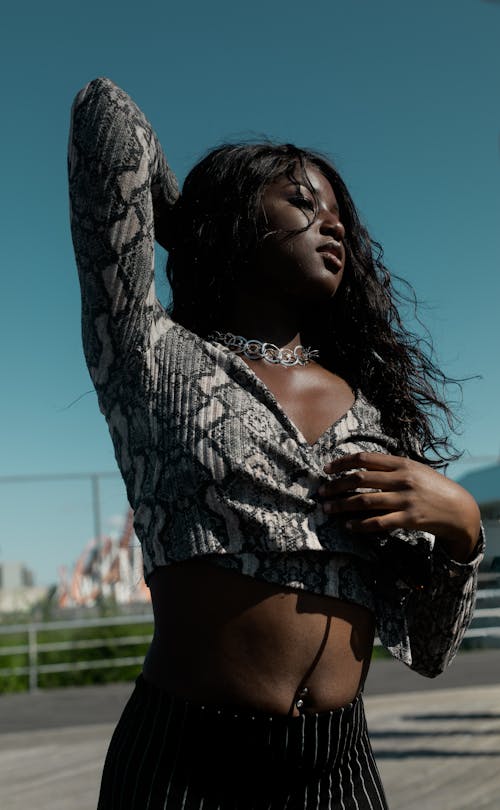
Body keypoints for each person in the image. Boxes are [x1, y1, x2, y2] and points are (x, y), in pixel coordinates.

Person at [68, 77, 485, 810]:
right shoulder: (152, 357)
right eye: (302, 202)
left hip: (339, 769)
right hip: (184, 765)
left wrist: (460, 525)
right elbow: (105, 115)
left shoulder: (372, 413)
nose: (333, 228)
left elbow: (429, 648)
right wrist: (195, 224)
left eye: (340, 218)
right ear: (236, 222)